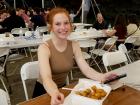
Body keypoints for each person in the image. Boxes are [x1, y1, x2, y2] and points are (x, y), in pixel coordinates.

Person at [33, 7, 117, 105]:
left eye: (66, 23)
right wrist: (54, 92)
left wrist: (102, 77)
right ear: (51, 26)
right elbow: (46, 78)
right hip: (44, 92)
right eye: (57, 24)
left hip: (62, 89)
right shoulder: (44, 48)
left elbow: (86, 69)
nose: (63, 27)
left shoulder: (74, 45)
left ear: (70, 24)